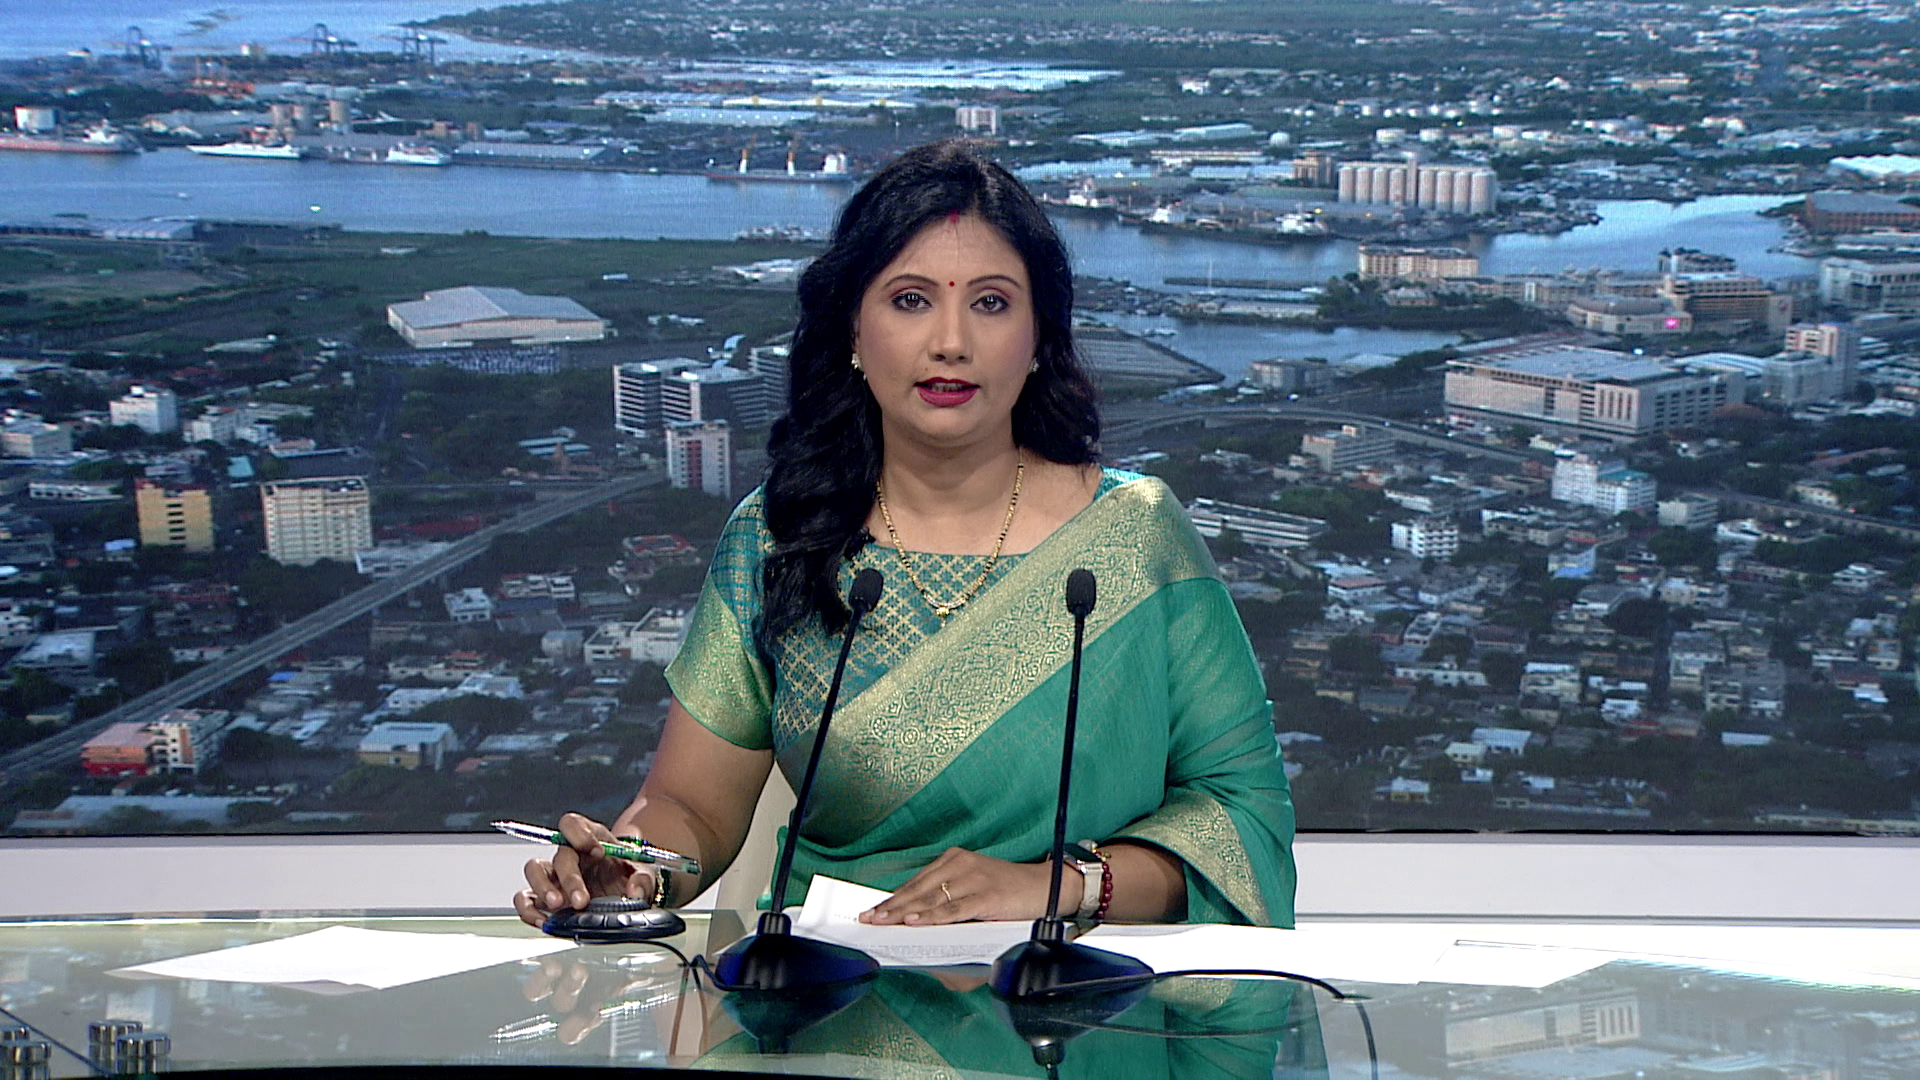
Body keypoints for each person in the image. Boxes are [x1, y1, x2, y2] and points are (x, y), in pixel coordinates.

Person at [515, 139, 1295, 931]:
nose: (950, 341)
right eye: (911, 300)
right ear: (854, 331)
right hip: (828, 982)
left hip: (1075, 988)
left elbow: (1241, 814)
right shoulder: (781, 537)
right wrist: (633, 869)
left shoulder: (1134, 538)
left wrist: (1061, 886)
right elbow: (690, 805)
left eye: (991, 303)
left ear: (1038, 336)